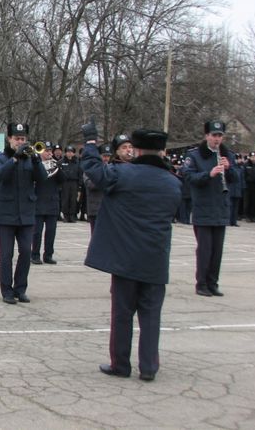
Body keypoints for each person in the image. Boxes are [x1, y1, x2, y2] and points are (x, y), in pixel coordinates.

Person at [81, 122, 181, 382]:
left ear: (136, 150)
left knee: (122, 314)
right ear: (161, 152)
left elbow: (92, 169)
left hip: (125, 259)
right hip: (156, 259)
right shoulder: (172, 182)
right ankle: (148, 366)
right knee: (151, 315)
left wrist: (91, 142)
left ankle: (120, 364)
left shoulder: (122, 175)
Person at [183, 120, 237, 297]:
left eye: (220, 135)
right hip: (203, 208)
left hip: (220, 208)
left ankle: (213, 283)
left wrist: (228, 169)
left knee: (217, 251)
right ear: (206, 136)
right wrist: (209, 174)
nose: (217, 139)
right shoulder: (195, 155)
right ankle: (202, 284)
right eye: (214, 135)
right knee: (205, 250)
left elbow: (236, 177)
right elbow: (189, 177)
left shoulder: (227, 154)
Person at [0, 123, 47, 304]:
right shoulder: (1, 157)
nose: (20, 142)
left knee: (26, 252)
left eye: (23, 139)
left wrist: (37, 160)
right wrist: (15, 158)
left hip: (26, 213)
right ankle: (7, 291)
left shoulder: (30, 158)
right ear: (9, 139)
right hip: (6, 214)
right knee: (6, 255)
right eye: (17, 138)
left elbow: (42, 179)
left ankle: (20, 288)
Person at [31, 142, 63, 264]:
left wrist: (58, 168)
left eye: (50, 151)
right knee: (37, 232)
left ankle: (48, 255)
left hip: (52, 203)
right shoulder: (36, 164)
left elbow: (62, 180)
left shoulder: (55, 165)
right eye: (46, 151)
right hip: (38, 203)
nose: (49, 153)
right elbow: (34, 178)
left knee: (51, 232)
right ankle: (35, 255)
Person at [83, 144, 112, 233]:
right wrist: (105, 178)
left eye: (108, 156)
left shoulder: (112, 168)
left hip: (109, 209)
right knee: (96, 236)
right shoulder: (90, 169)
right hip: (95, 208)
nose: (106, 159)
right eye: (104, 156)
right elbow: (90, 184)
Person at [59, 145, 80, 222]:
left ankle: (72, 216)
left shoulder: (77, 162)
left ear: (74, 153)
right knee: (65, 199)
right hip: (65, 183)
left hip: (74, 182)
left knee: (73, 200)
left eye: (71, 152)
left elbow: (80, 173)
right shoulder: (61, 161)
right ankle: (65, 215)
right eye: (68, 152)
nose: (69, 153)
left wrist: (79, 185)